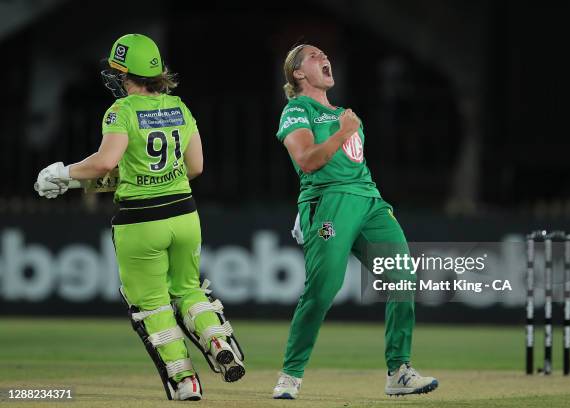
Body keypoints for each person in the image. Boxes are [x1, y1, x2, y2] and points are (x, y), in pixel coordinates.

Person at [34, 33, 244, 401]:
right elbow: (195, 166)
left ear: (124, 74)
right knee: (189, 290)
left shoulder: (122, 111)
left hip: (141, 221)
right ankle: (216, 340)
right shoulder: (179, 107)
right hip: (184, 215)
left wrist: (63, 175)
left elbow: (104, 162)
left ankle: (185, 380)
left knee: (152, 304)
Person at [272, 44, 438, 399]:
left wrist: (346, 128)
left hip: (369, 200)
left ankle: (399, 371)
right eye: (315, 56)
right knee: (322, 291)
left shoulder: (346, 114)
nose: (325, 57)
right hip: (330, 202)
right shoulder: (297, 110)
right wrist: (343, 131)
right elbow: (307, 161)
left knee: (403, 275)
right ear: (298, 73)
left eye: (325, 54)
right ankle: (290, 374)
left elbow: (352, 164)